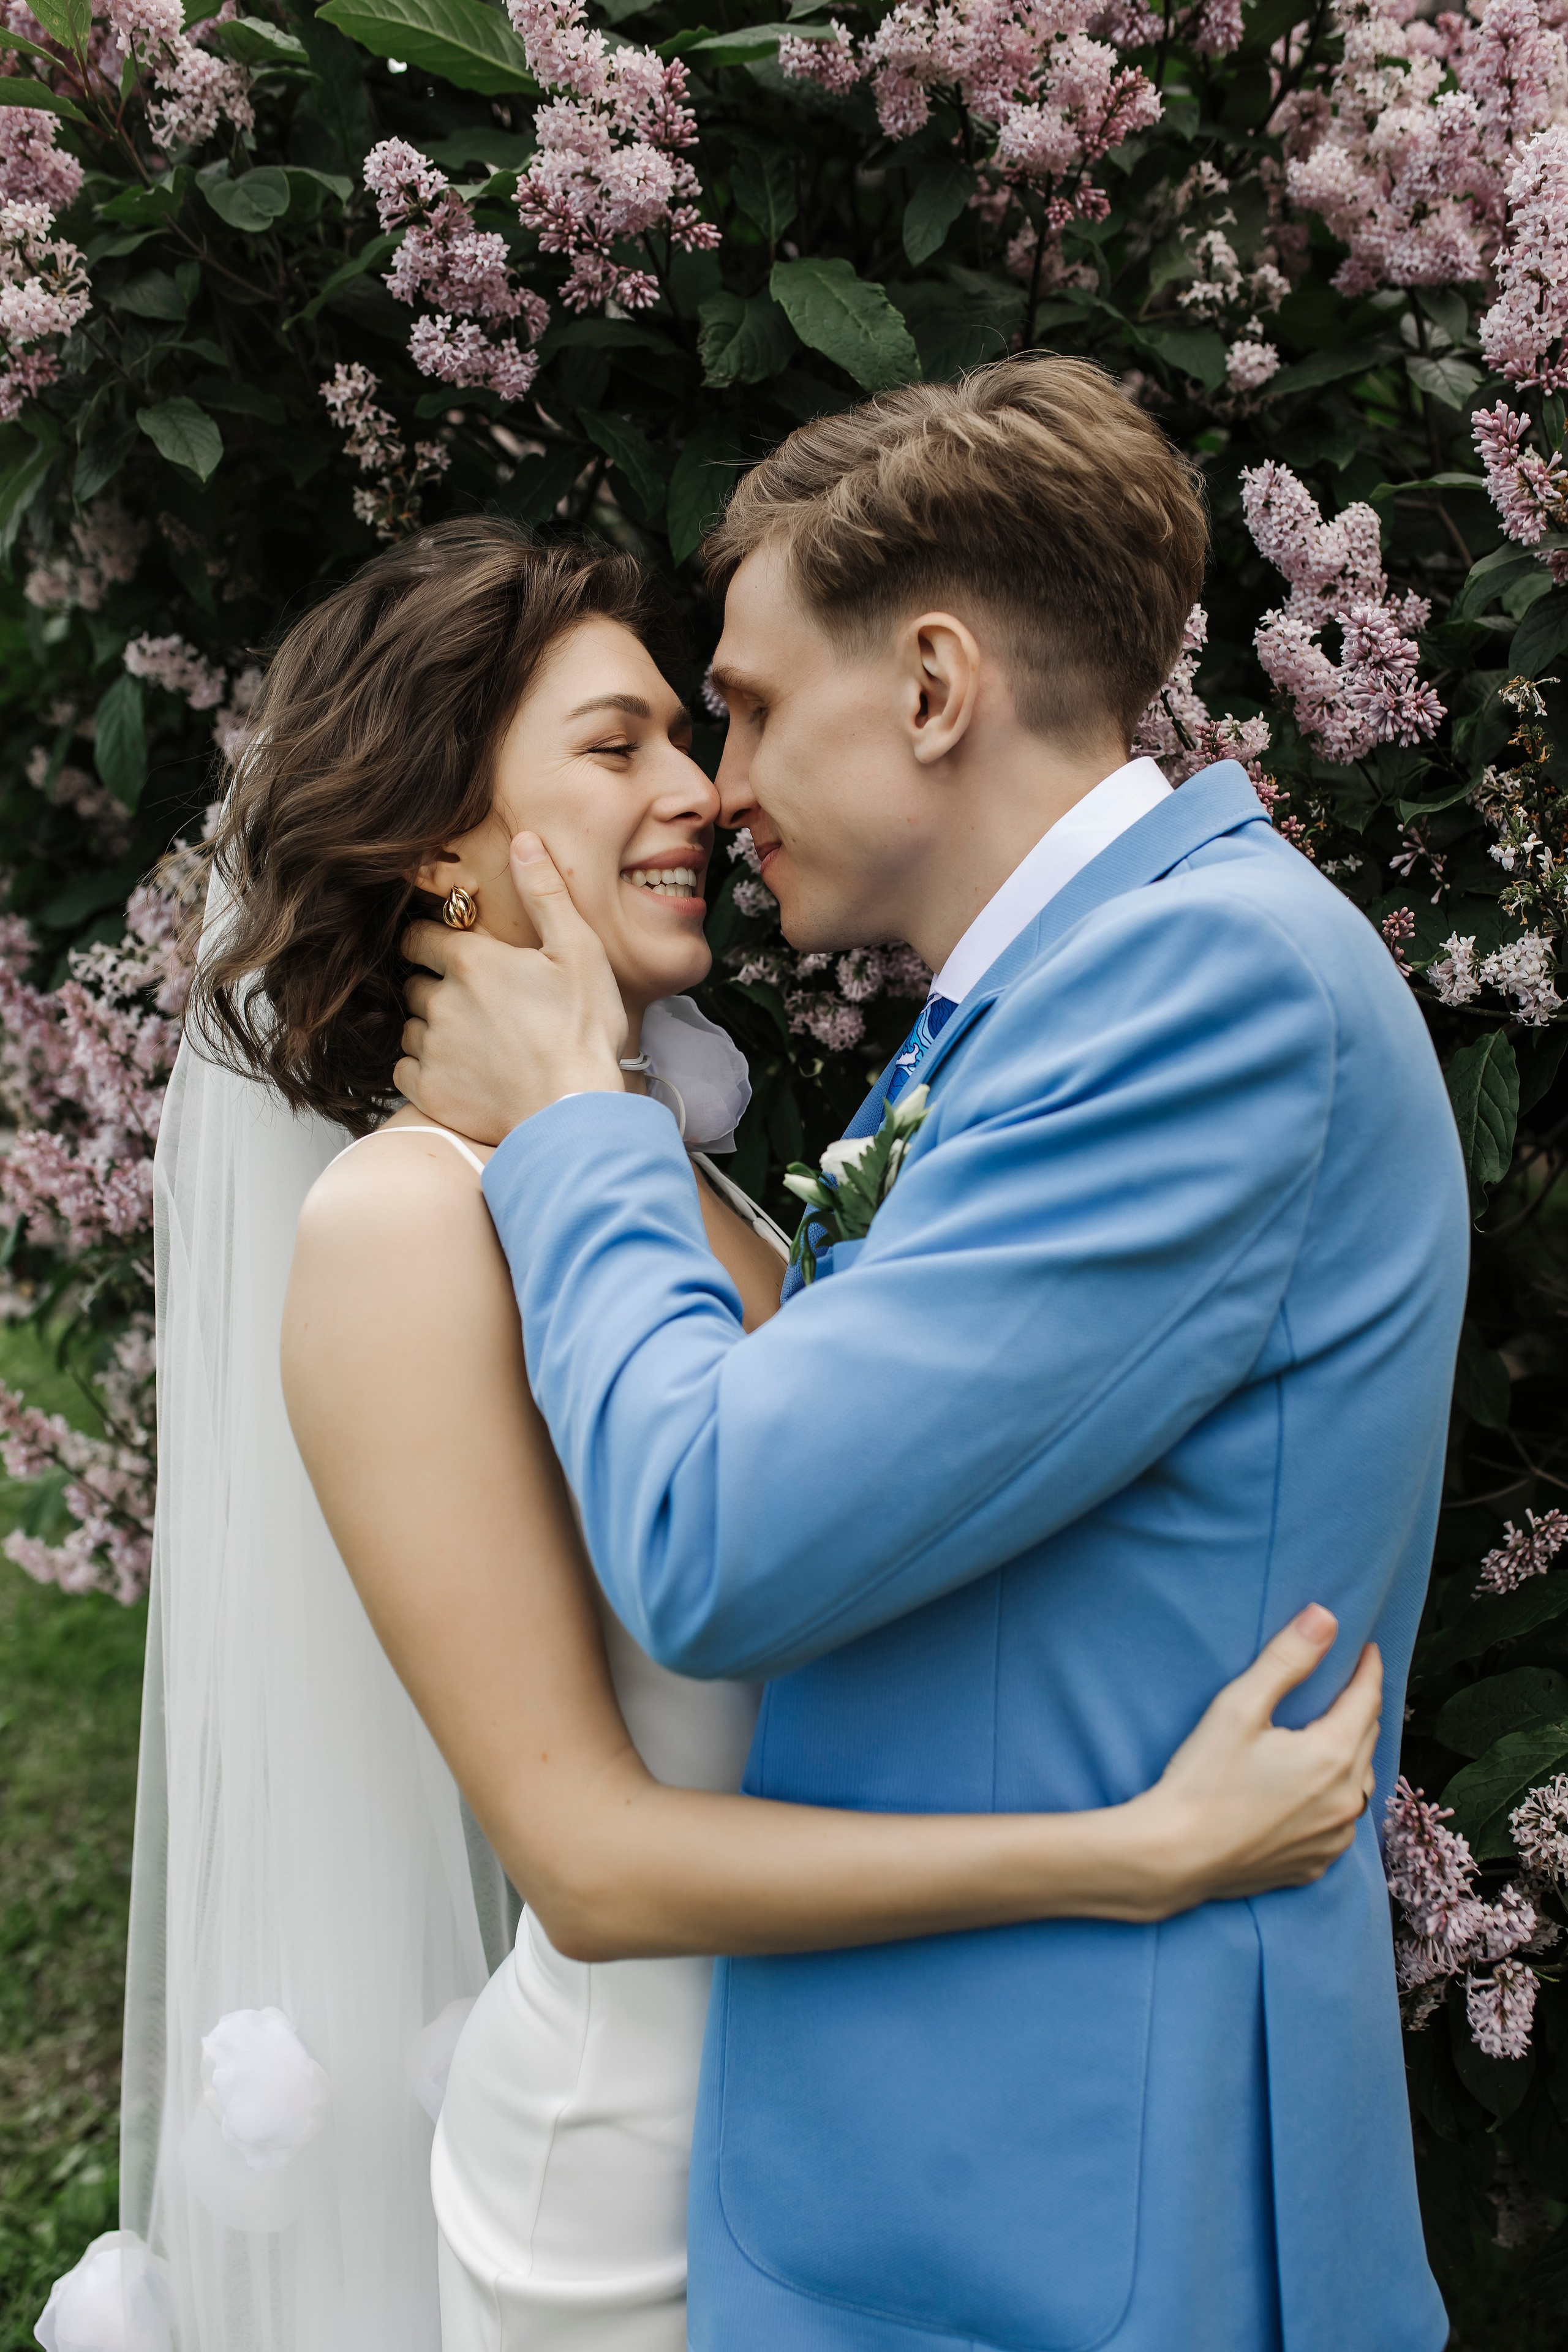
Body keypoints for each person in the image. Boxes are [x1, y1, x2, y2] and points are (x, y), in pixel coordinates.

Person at [77, 518, 1384, 2352]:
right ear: (441, 848)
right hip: (628, 2190)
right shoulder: (402, 1227)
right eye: (619, 749)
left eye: (691, 736)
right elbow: (596, 1869)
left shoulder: (657, 1180)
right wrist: (1136, 1851)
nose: (701, 792)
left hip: (854, 2132)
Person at [394, 363, 1471, 2352]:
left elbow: (715, 1542)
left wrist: (570, 1125)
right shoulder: (1057, 1003)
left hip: (1073, 2205)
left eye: (747, 703)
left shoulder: (1204, 991)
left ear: (935, 686)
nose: (718, 785)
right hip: (950, 2175)